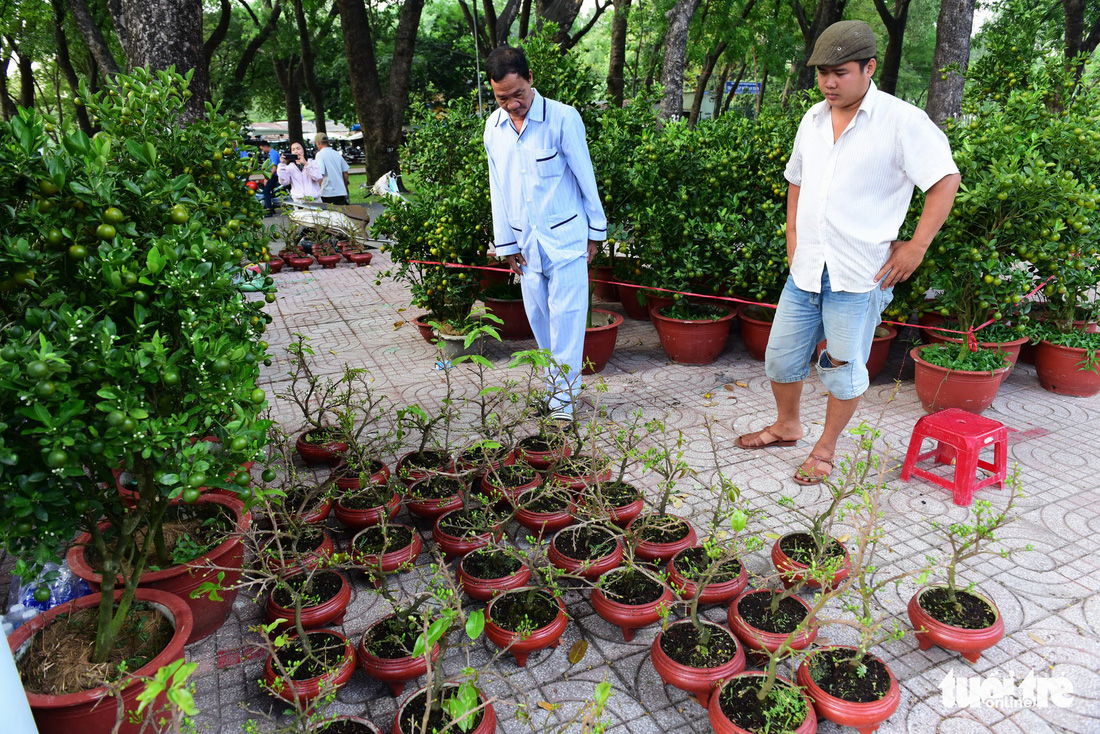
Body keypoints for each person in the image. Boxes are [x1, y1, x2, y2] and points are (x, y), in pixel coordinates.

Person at [736, 21, 961, 485]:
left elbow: (944, 179)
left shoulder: (902, 121)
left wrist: (917, 246)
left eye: (839, 72)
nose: (829, 83)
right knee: (779, 358)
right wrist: (792, 239)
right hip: (805, 270)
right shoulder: (813, 119)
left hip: (858, 276)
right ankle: (787, 425)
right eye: (822, 74)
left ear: (869, 67)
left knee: (842, 369)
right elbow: (796, 181)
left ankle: (825, 448)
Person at [483, 46, 607, 421]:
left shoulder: (563, 118)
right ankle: (557, 392)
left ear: (531, 79)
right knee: (541, 325)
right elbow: (498, 187)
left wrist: (596, 232)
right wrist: (505, 243)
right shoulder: (494, 127)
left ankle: (564, 404)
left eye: (517, 94)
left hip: (568, 241)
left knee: (567, 322)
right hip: (525, 246)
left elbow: (586, 177)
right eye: (502, 98)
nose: (512, 105)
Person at [314, 133, 350, 205]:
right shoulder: (336, 154)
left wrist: (317, 190)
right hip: (340, 192)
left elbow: (320, 174)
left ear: (318, 143)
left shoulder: (320, 155)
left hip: (327, 192)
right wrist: (344, 187)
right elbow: (345, 173)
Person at [258, 140, 281, 215]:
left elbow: (274, 168)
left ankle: (269, 209)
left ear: (265, 146)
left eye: (262, 149)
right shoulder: (273, 153)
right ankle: (271, 207)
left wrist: (267, 178)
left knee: (266, 191)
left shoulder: (273, 154)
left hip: (274, 176)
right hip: (274, 175)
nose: (263, 151)